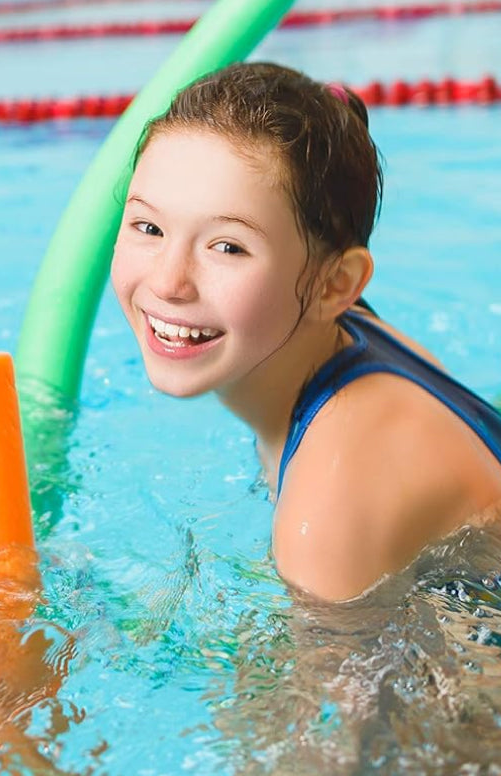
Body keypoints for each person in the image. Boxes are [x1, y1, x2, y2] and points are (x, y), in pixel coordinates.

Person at [111, 61, 501, 603]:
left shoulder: (327, 513)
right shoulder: (345, 334)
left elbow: (343, 689)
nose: (168, 281)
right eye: (148, 227)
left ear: (335, 284)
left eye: (228, 247)